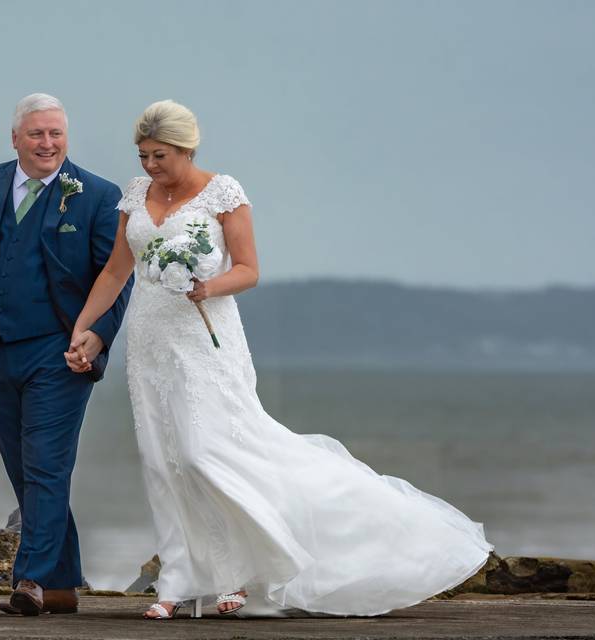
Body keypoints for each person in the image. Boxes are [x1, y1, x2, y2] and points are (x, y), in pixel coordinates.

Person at [64, 100, 493, 619]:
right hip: (151, 342)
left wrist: (207, 286)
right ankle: (176, 580)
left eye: (159, 156)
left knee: (206, 453)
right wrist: (84, 327)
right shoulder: (136, 195)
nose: (150, 166)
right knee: (164, 461)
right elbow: (115, 272)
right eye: (143, 156)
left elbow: (248, 270)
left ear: (186, 148)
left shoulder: (224, 193)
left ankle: (246, 571)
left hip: (205, 340)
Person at [0, 93, 132, 616]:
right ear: (15, 138)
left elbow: (116, 279)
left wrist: (99, 334)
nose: (48, 143)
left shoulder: (98, 196)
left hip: (60, 354)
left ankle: (31, 582)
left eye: (57, 134)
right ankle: (63, 584)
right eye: (38, 134)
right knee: (25, 469)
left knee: (46, 466)